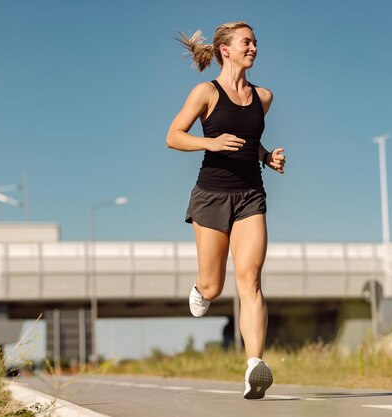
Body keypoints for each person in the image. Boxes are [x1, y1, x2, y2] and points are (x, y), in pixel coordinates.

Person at [166, 21, 285, 400]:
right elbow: (174, 136)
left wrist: (267, 157)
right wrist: (211, 143)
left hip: (251, 195)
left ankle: (254, 366)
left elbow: (251, 139)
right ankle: (201, 290)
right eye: (246, 43)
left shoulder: (263, 96)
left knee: (249, 280)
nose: (253, 48)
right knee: (215, 286)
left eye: (255, 43)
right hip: (212, 195)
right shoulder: (206, 92)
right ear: (225, 50)